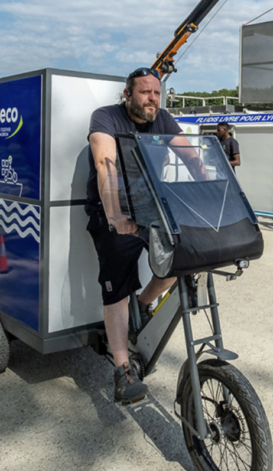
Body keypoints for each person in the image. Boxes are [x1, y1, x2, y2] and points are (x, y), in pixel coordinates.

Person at [86, 67, 208, 404]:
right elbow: (105, 164)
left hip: (151, 208)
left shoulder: (163, 120)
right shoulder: (107, 118)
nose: (152, 98)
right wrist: (115, 216)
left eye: (156, 92)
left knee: (179, 262)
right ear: (128, 94)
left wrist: (211, 195)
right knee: (117, 289)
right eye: (144, 92)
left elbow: (192, 157)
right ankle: (123, 370)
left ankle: (142, 307)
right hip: (114, 212)